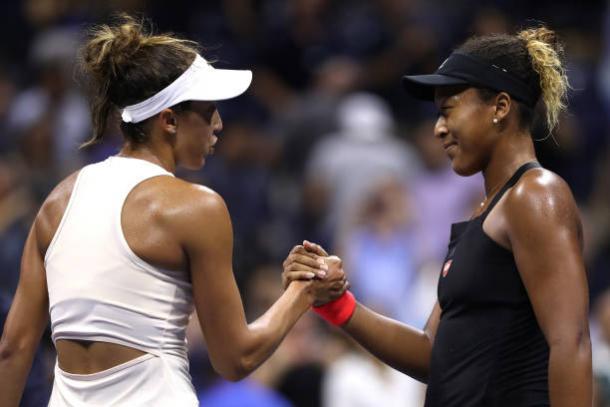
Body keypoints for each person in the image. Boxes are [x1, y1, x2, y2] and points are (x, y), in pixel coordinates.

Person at [0, 15, 346, 406]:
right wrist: (304, 291)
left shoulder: (57, 201)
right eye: (209, 110)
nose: (218, 123)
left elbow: (13, 347)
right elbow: (236, 357)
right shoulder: (197, 207)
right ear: (168, 120)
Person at [285, 26, 592, 406]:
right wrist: (337, 302)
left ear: (499, 107)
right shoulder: (487, 214)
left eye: (449, 110)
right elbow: (434, 355)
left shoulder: (536, 195)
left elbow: (571, 342)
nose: (438, 128)